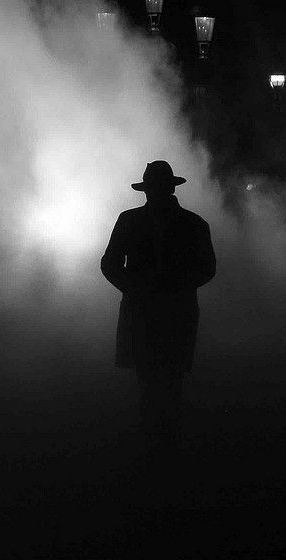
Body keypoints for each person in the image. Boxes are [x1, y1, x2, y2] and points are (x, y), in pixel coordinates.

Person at [101, 160, 216, 443]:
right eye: (155, 188)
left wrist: (136, 288)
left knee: (162, 377)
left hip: (162, 311)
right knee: (157, 378)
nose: (155, 193)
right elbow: (110, 264)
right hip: (166, 310)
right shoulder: (193, 223)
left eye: (157, 188)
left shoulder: (134, 220)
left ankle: (158, 439)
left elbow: (206, 268)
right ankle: (161, 438)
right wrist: (136, 288)